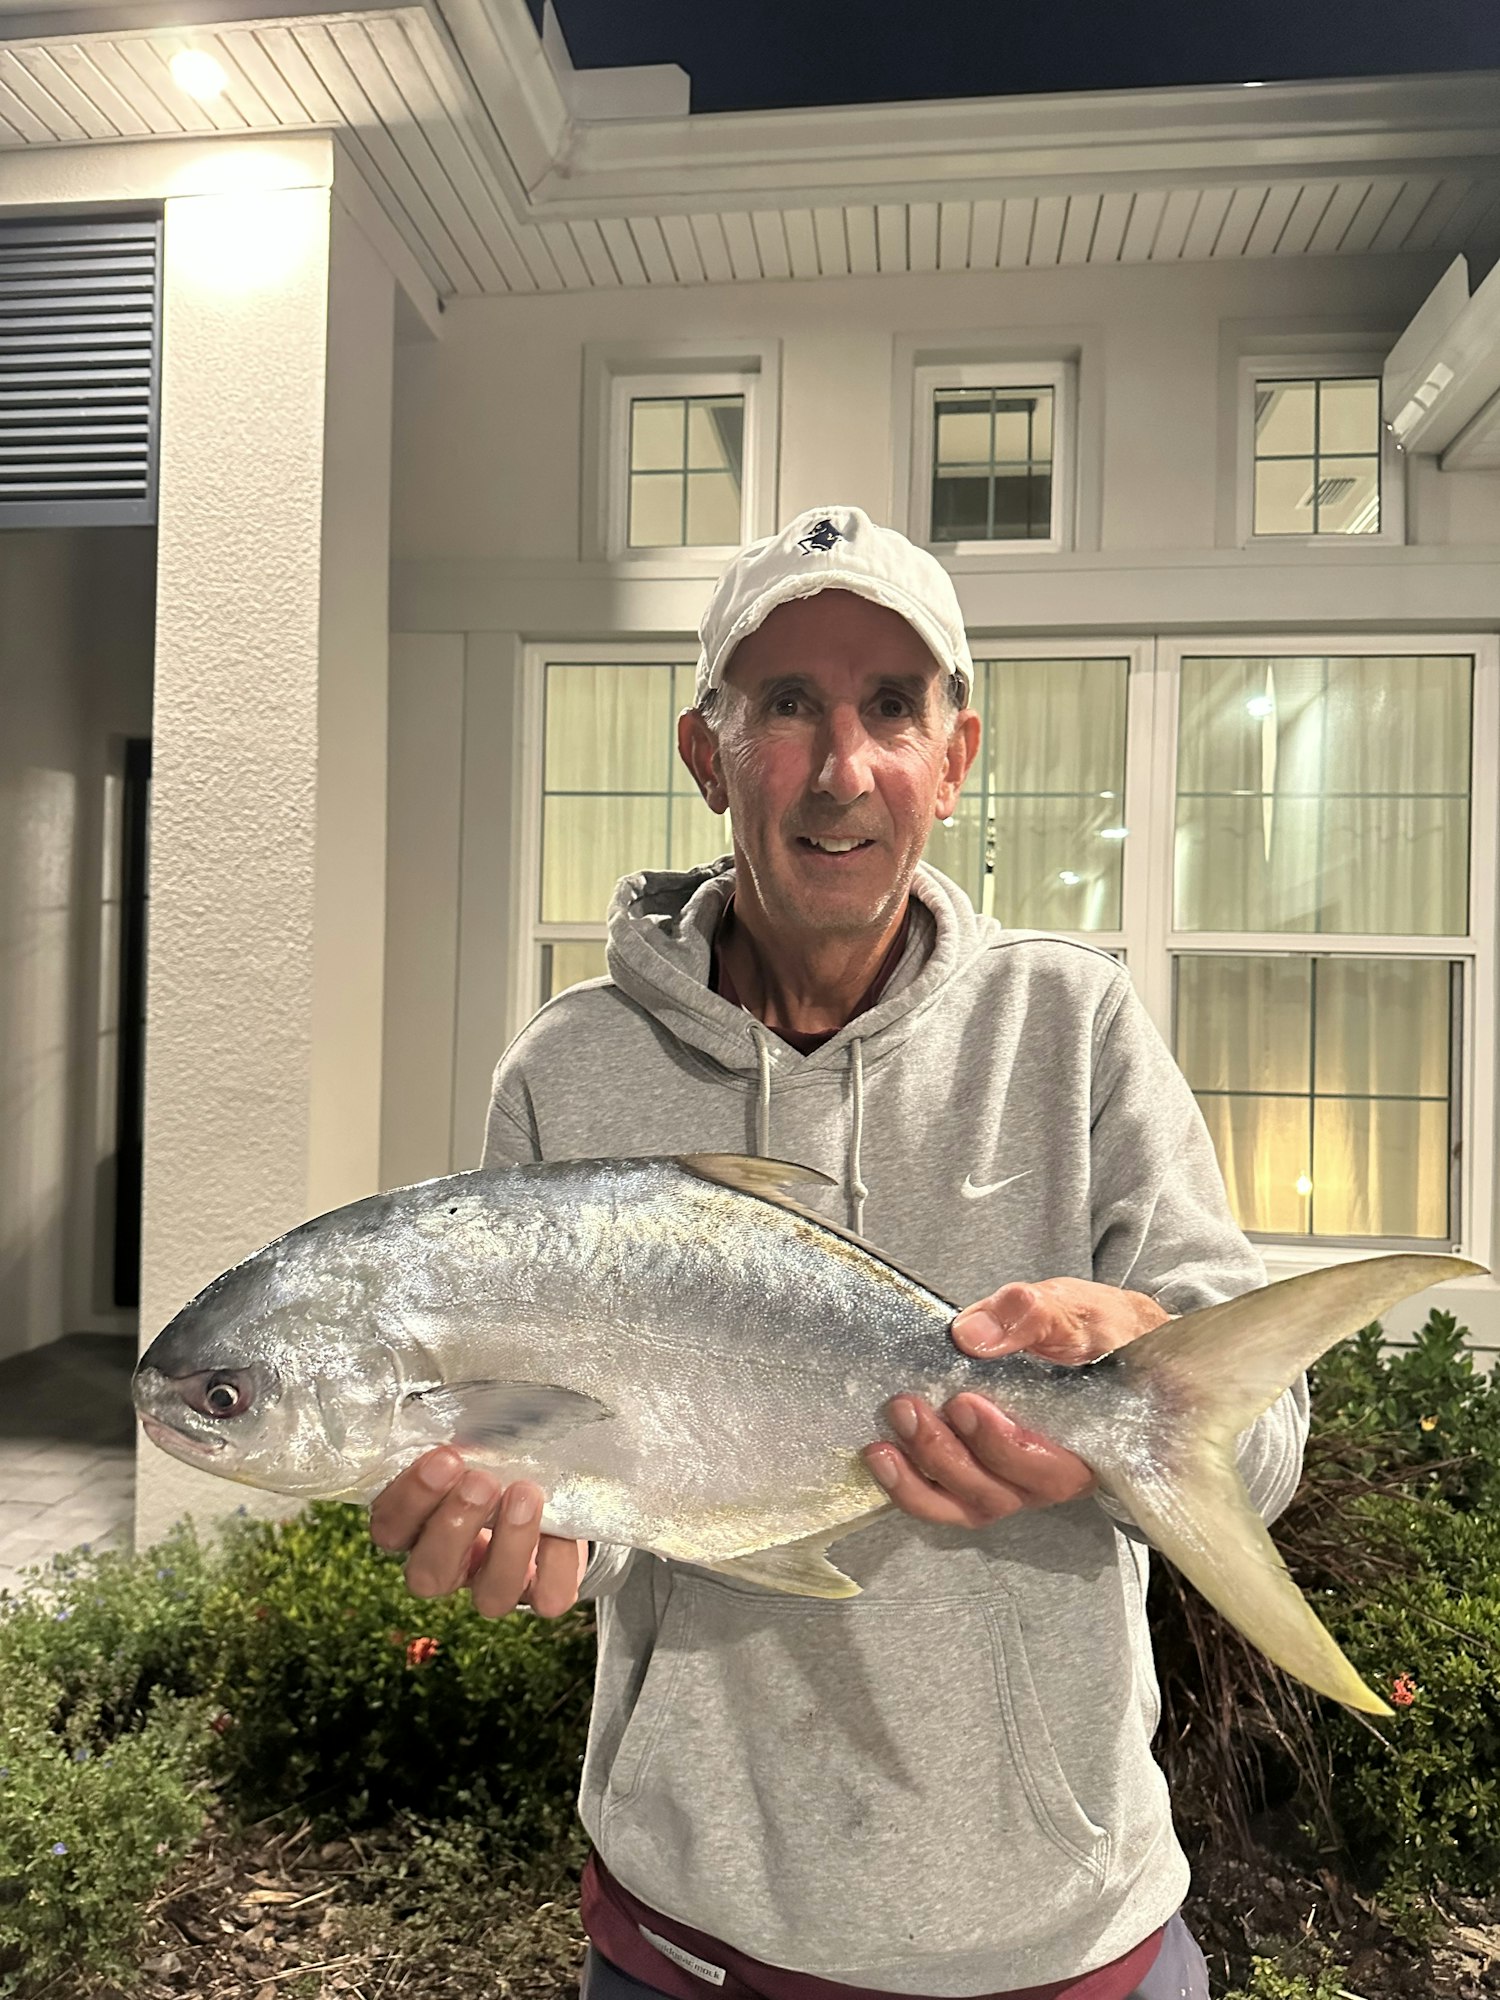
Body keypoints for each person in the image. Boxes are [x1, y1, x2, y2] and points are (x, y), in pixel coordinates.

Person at [369, 505, 1309, 2000]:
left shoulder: (1075, 1033)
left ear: (957, 754)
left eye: (890, 706)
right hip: (690, 1940)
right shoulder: (565, 1075)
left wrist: (1118, 1399)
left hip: (1061, 1938)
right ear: (708, 751)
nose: (840, 766)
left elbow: (1259, 1463)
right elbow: (596, 1509)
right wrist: (530, 1541)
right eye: (787, 705)